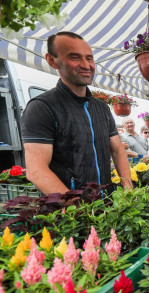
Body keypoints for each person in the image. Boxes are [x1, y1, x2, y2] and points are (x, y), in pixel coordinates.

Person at [20, 32, 132, 194]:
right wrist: (76, 208)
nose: (86, 65)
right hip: (69, 213)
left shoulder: (102, 108)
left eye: (89, 58)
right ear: (52, 61)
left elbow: (117, 150)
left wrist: (128, 189)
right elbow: (37, 170)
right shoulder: (42, 107)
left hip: (106, 206)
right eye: (74, 57)